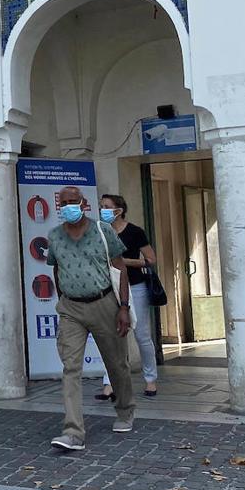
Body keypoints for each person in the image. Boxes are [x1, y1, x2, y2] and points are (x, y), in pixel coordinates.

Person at [46, 186, 134, 451]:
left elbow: (120, 268)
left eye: (75, 201)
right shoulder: (54, 236)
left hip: (104, 303)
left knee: (116, 363)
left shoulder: (103, 231)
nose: (70, 206)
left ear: (84, 203)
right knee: (70, 367)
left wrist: (123, 307)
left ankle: (125, 409)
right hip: (71, 309)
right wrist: (62, 299)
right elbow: (57, 269)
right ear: (60, 206)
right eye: (65, 202)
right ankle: (73, 432)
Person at [95, 194, 159, 400]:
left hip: (135, 286)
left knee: (141, 335)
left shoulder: (135, 232)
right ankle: (108, 382)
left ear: (119, 210)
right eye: (101, 206)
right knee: (111, 337)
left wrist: (123, 262)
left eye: (107, 207)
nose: (102, 209)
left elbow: (150, 259)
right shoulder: (98, 231)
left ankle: (150, 379)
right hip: (109, 288)